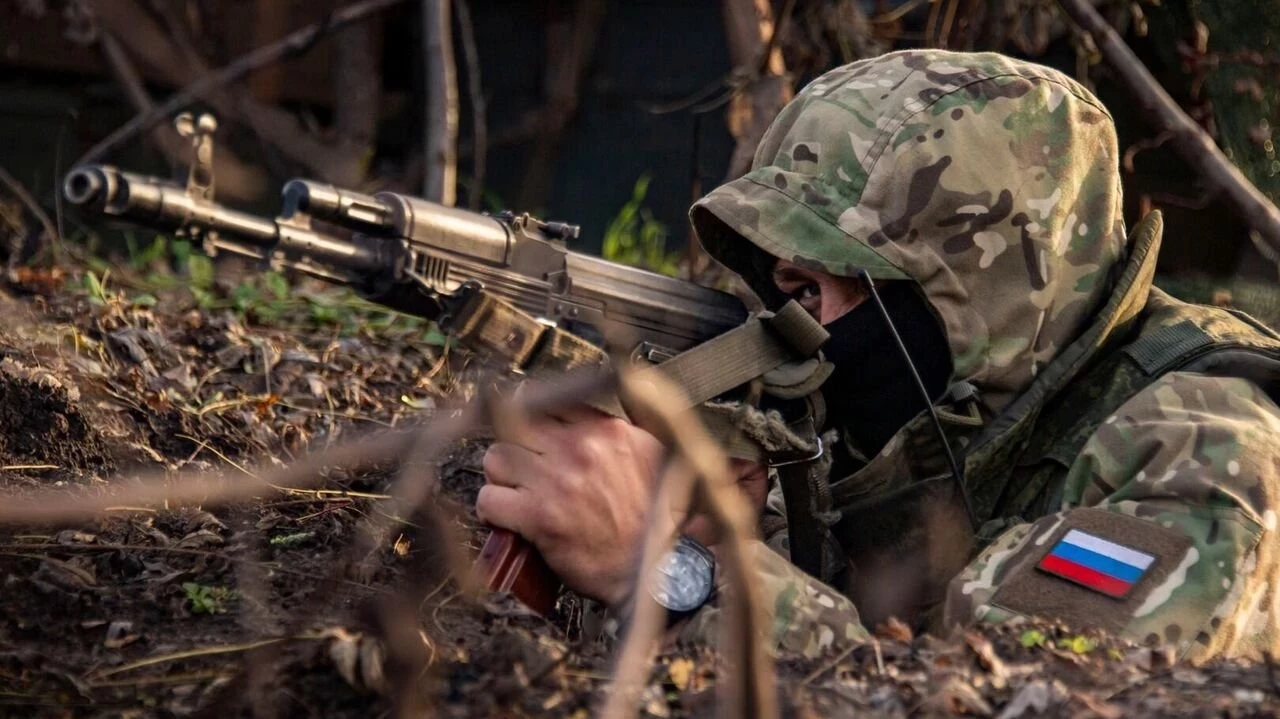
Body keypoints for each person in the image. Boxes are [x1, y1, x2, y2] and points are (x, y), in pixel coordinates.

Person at [477, 48, 1280, 664]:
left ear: (983, 293)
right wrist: (754, 530)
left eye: (826, 284)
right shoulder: (948, 417)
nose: (800, 326)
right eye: (786, 286)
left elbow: (1010, 692)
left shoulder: (1206, 449)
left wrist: (668, 571)